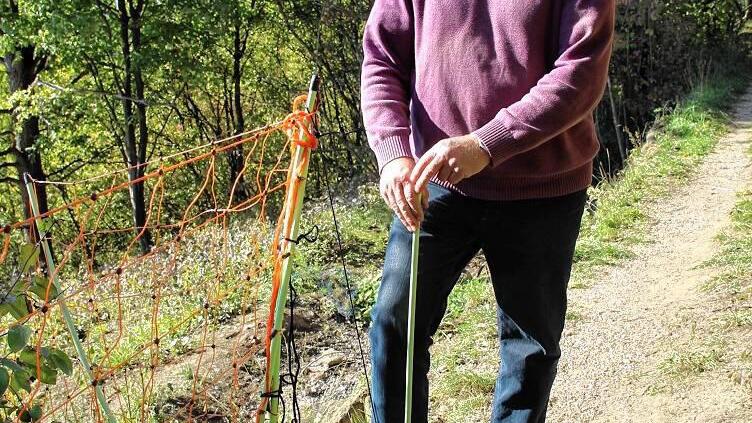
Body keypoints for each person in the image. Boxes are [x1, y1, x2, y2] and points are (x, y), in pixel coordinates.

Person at [360, 1, 616, 422]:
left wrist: (487, 144)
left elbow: (582, 72)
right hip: (432, 183)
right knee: (395, 324)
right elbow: (383, 56)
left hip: (542, 187)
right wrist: (392, 152)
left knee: (529, 345)